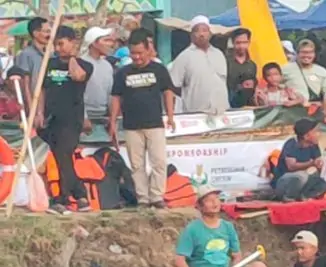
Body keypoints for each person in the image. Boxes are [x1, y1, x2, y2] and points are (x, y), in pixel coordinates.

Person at [174, 185, 285, 267]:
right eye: (209, 200)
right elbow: (179, 260)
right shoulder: (192, 230)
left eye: (217, 199)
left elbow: (236, 255)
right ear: (200, 206)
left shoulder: (227, 227)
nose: (215, 203)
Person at [109, 28, 176, 209]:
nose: (136, 57)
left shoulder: (159, 69)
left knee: (159, 162)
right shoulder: (122, 73)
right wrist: (113, 122)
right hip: (131, 126)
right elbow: (116, 97)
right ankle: (143, 199)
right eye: (133, 53)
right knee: (137, 165)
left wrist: (170, 116)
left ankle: (157, 197)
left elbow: (168, 91)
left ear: (148, 50)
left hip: (155, 124)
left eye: (140, 53)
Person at [36, 25, 93, 216]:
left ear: (72, 42)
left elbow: (78, 76)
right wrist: (39, 112)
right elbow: (42, 89)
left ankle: (61, 199)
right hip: (52, 118)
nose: (58, 48)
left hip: (71, 119)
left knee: (63, 156)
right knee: (63, 159)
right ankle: (81, 196)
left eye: (61, 43)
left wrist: (72, 57)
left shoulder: (84, 64)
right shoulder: (49, 64)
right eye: (55, 44)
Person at [169, 15, 229, 115]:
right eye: (197, 31)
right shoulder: (184, 56)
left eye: (205, 30)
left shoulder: (219, 54)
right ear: (191, 35)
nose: (201, 34)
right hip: (196, 114)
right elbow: (173, 85)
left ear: (210, 34)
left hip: (222, 111)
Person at [282, 39, 326, 123]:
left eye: (310, 52)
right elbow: (276, 86)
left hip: (315, 115)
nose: (306, 55)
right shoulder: (285, 69)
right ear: (298, 53)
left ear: (314, 54)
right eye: (303, 52)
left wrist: (325, 114)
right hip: (292, 115)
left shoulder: (322, 71)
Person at [271, 118, 324, 201]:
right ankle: (288, 197)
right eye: (315, 132)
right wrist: (312, 163)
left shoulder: (314, 145)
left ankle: (306, 196)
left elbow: (319, 163)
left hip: (301, 182)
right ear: (306, 136)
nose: (318, 134)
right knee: (300, 176)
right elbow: (291, 166)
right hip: (283, 183)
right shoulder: (291, 144)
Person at [80, 26, 115, 126]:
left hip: (103, 116)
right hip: (84, 117)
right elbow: (76, 95)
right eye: (106, 40)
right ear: (94, 43)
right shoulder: (81, 64)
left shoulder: (107, 66)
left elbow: (110, 94)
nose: (110, 44)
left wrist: (112, 118)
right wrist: (84, 117)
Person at [13, 17, 50, 110]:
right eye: (46, 31)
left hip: (50, 105)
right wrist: (32, 109)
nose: (50, 35)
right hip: (34, 107)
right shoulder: (26, 54)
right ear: (36, 33)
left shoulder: (51, 54)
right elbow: (25, 85)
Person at [226, 28, 257, 109]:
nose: (241, 46)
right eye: (238, 43)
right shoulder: (225, 62)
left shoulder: (252, 65)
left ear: (249, 42)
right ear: (233, 43)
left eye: (244, 42)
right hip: (229, 105)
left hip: (247, 107)